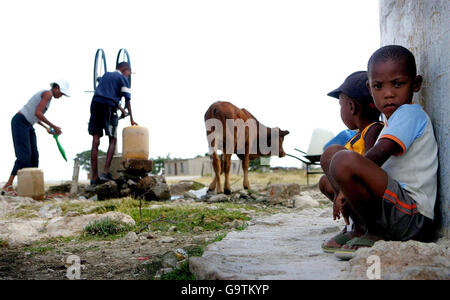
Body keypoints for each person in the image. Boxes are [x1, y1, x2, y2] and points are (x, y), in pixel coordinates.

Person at [323, 45, 438, 257]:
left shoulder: (409, 114)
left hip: (413, 217)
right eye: (378, 86)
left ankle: (375, 233)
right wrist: (341, 188)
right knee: (331, 154)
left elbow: (377, 155)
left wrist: (344, 188)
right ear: (370, 88)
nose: (388, 94)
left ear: (415, 84)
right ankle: (360, 228)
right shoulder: (388, 121)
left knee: (342, 160)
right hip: (394, 209)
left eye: (397, 84)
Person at [319, 71, 384, 253]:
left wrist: (345, 191)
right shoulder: (356, 137)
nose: (340, 110)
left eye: (341, 105)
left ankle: (365, 228)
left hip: (370, 193)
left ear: (351, 107)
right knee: (324, 182)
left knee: (332, 154)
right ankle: (356, 224)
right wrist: (339, 191)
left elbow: (372, 166)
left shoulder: (374, 130)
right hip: (357, 189)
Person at [1, 80, 70, 195]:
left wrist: (46, 128)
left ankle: (31, 187)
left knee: (34, 157)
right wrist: (54, 126)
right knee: (24, 156)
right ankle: (8, 185)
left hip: (28, 124)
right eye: (62, 93)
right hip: (20, 122)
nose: (61, 96)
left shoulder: (49, 98)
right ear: (56, 88)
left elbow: (35, 115)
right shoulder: (48, 94)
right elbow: (38, 113)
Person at [89, 62, 138, 186]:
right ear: (125, 70)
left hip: (95, 104)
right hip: (108, 107)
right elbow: (127, 100)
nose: (128, 77)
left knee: (95, 140)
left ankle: (94, 177)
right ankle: (105, 172)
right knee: (113, 139)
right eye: (129, 74)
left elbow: (106, 94)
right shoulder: (122, 78)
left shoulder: (105, 76)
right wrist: (131, 118)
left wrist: (120, 110)